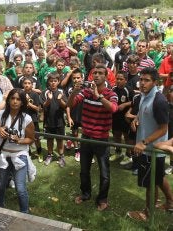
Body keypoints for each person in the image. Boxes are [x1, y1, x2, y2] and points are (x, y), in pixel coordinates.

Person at [67, 64, 118, 211]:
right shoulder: (86, 92)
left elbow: (113, 109)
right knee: (84, 170)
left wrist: (99, 96)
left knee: (104, 173)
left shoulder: (110, 94)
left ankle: (102, 199)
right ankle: (85, 193)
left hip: (101, 139)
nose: (96, 75)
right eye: (94, 73)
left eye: (100, 73)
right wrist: (74, 92)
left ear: (106, 76)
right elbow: (70, 104)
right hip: (86, 137)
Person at [127, 67, 173, 221]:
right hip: (148, 148)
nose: (142, 83)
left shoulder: (159, 100)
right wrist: (136, 118)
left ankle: (147, 214)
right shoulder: (144, 96)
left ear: (155, 82)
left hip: (152, 149)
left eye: (146, 80)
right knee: (159, 177)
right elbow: (143, 111)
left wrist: (144, 142)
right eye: (141, 79)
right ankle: (171, 202)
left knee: (151, 182)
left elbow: (163, 129)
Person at [0, 88, 35, 213]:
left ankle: (24, 213)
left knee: (20, 188)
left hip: (20, 155)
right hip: (3, 155)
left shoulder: (27, 119)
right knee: (0, 185)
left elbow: (31, 139)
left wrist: (19, 140)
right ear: (8, 100)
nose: (15, 101)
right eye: (12, 98)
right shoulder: (0, 115)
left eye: (18, 99)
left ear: (22, 102)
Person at [40, 72, 67, 167]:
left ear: (58, 81)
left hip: (59, 121)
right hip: (48, 121)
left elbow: (65, 106)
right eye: (51, 81)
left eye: (55, 81)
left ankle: (61, 156)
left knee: (60, 140)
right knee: (49, 140)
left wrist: (60, 100)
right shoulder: (45, 92)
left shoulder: (61, 92)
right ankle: (50, 155)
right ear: (48, 82)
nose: (53, 83)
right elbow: (42, 106)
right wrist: (49, 100)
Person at [109, 71, 134, 162]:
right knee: (116, 135)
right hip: (115, 116)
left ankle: (129, 154)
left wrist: (124, 104)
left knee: (126, 136)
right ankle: (118, 152)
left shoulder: (129, 90)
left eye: (121, 79)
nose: (118, 81)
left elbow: (134, 102)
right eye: (117, 79)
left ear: (126, 80)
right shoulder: (113, 89)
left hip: (125, 118)